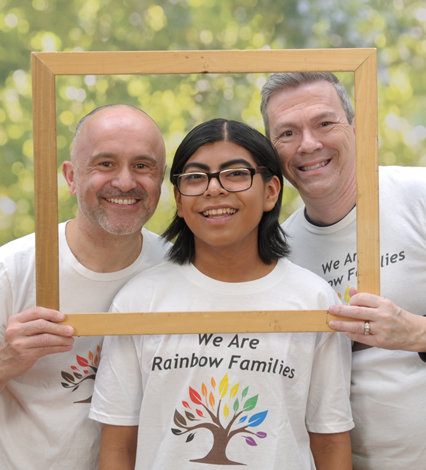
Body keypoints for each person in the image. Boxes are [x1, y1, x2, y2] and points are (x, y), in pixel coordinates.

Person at [89, 119, 354, 470]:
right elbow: (118, 447)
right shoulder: (139, 301)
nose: (214, 190)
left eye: (235, 174)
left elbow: (330, 440)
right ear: (179, 201)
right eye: (196, 177)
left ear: (271, 191)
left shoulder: (314, 300)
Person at [0, 104, 170, 470]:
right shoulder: (7, 272)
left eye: (142, 165)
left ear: (161, 178)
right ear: (72, 177)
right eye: (105, 164)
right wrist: (0, 366)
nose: (125, 182)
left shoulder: (178, 269)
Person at [261, 72, 426, 469]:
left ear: (355, 126)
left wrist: (415, 332)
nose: (309, 144)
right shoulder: (279, 252)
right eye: (287, 133)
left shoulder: (417, 195)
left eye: (324, 123)